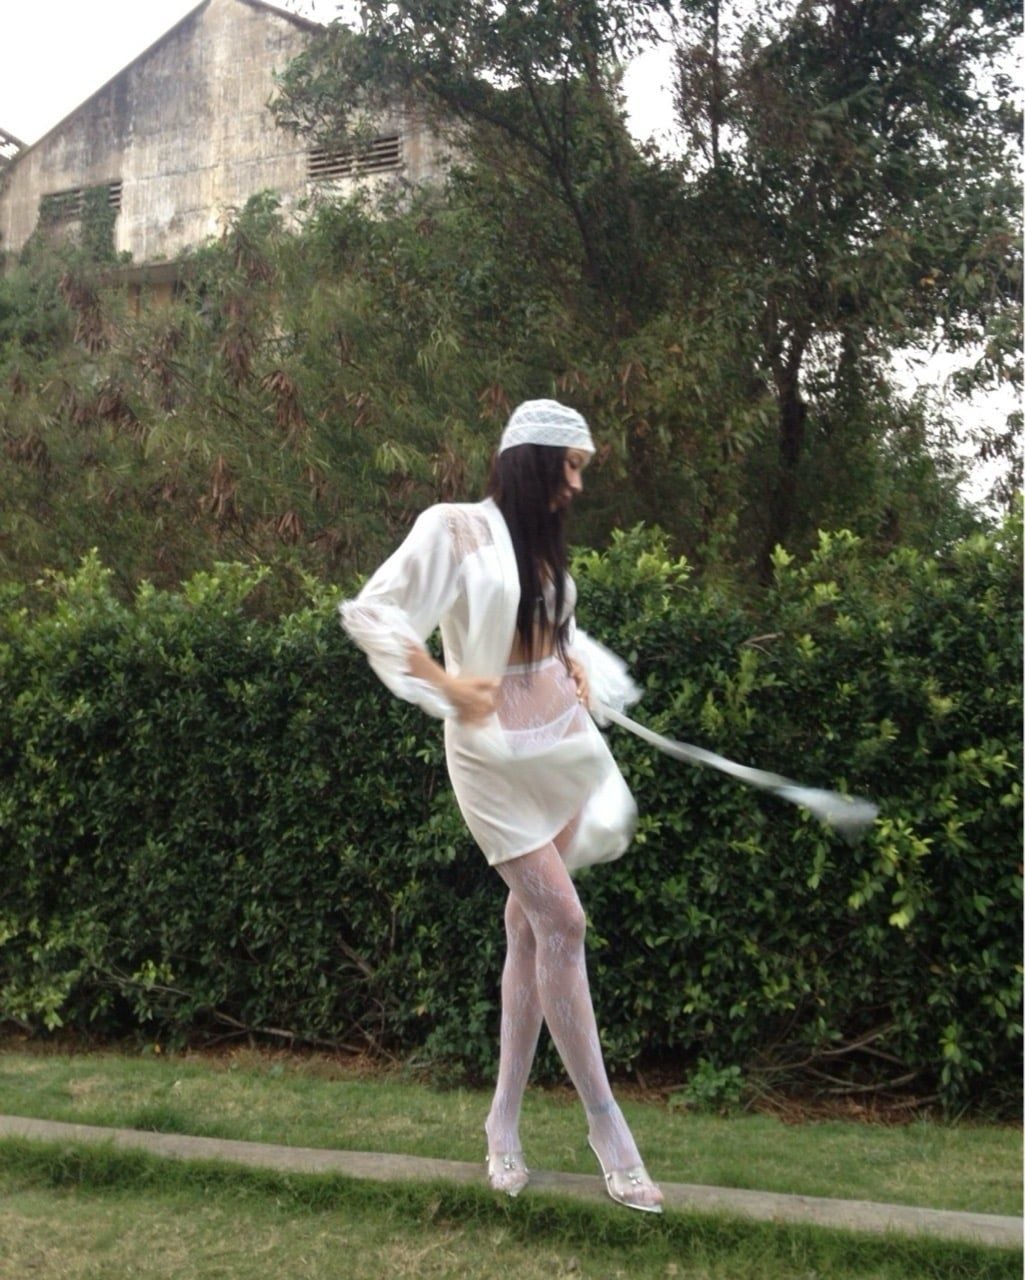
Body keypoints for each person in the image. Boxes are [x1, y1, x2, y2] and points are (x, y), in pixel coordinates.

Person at [340, 399, 664, 1213]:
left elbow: (545, 631)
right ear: (535, 460)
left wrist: (570, 662)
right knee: (564, 922)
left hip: (559, 743)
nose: (577, 484)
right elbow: (374, 610)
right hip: (491, 757)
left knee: (529, 929)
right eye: (571, 465)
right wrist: (444, 684)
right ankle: (606, 1126)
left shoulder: (540, 546)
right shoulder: (453, 527)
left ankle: (503, 1123)